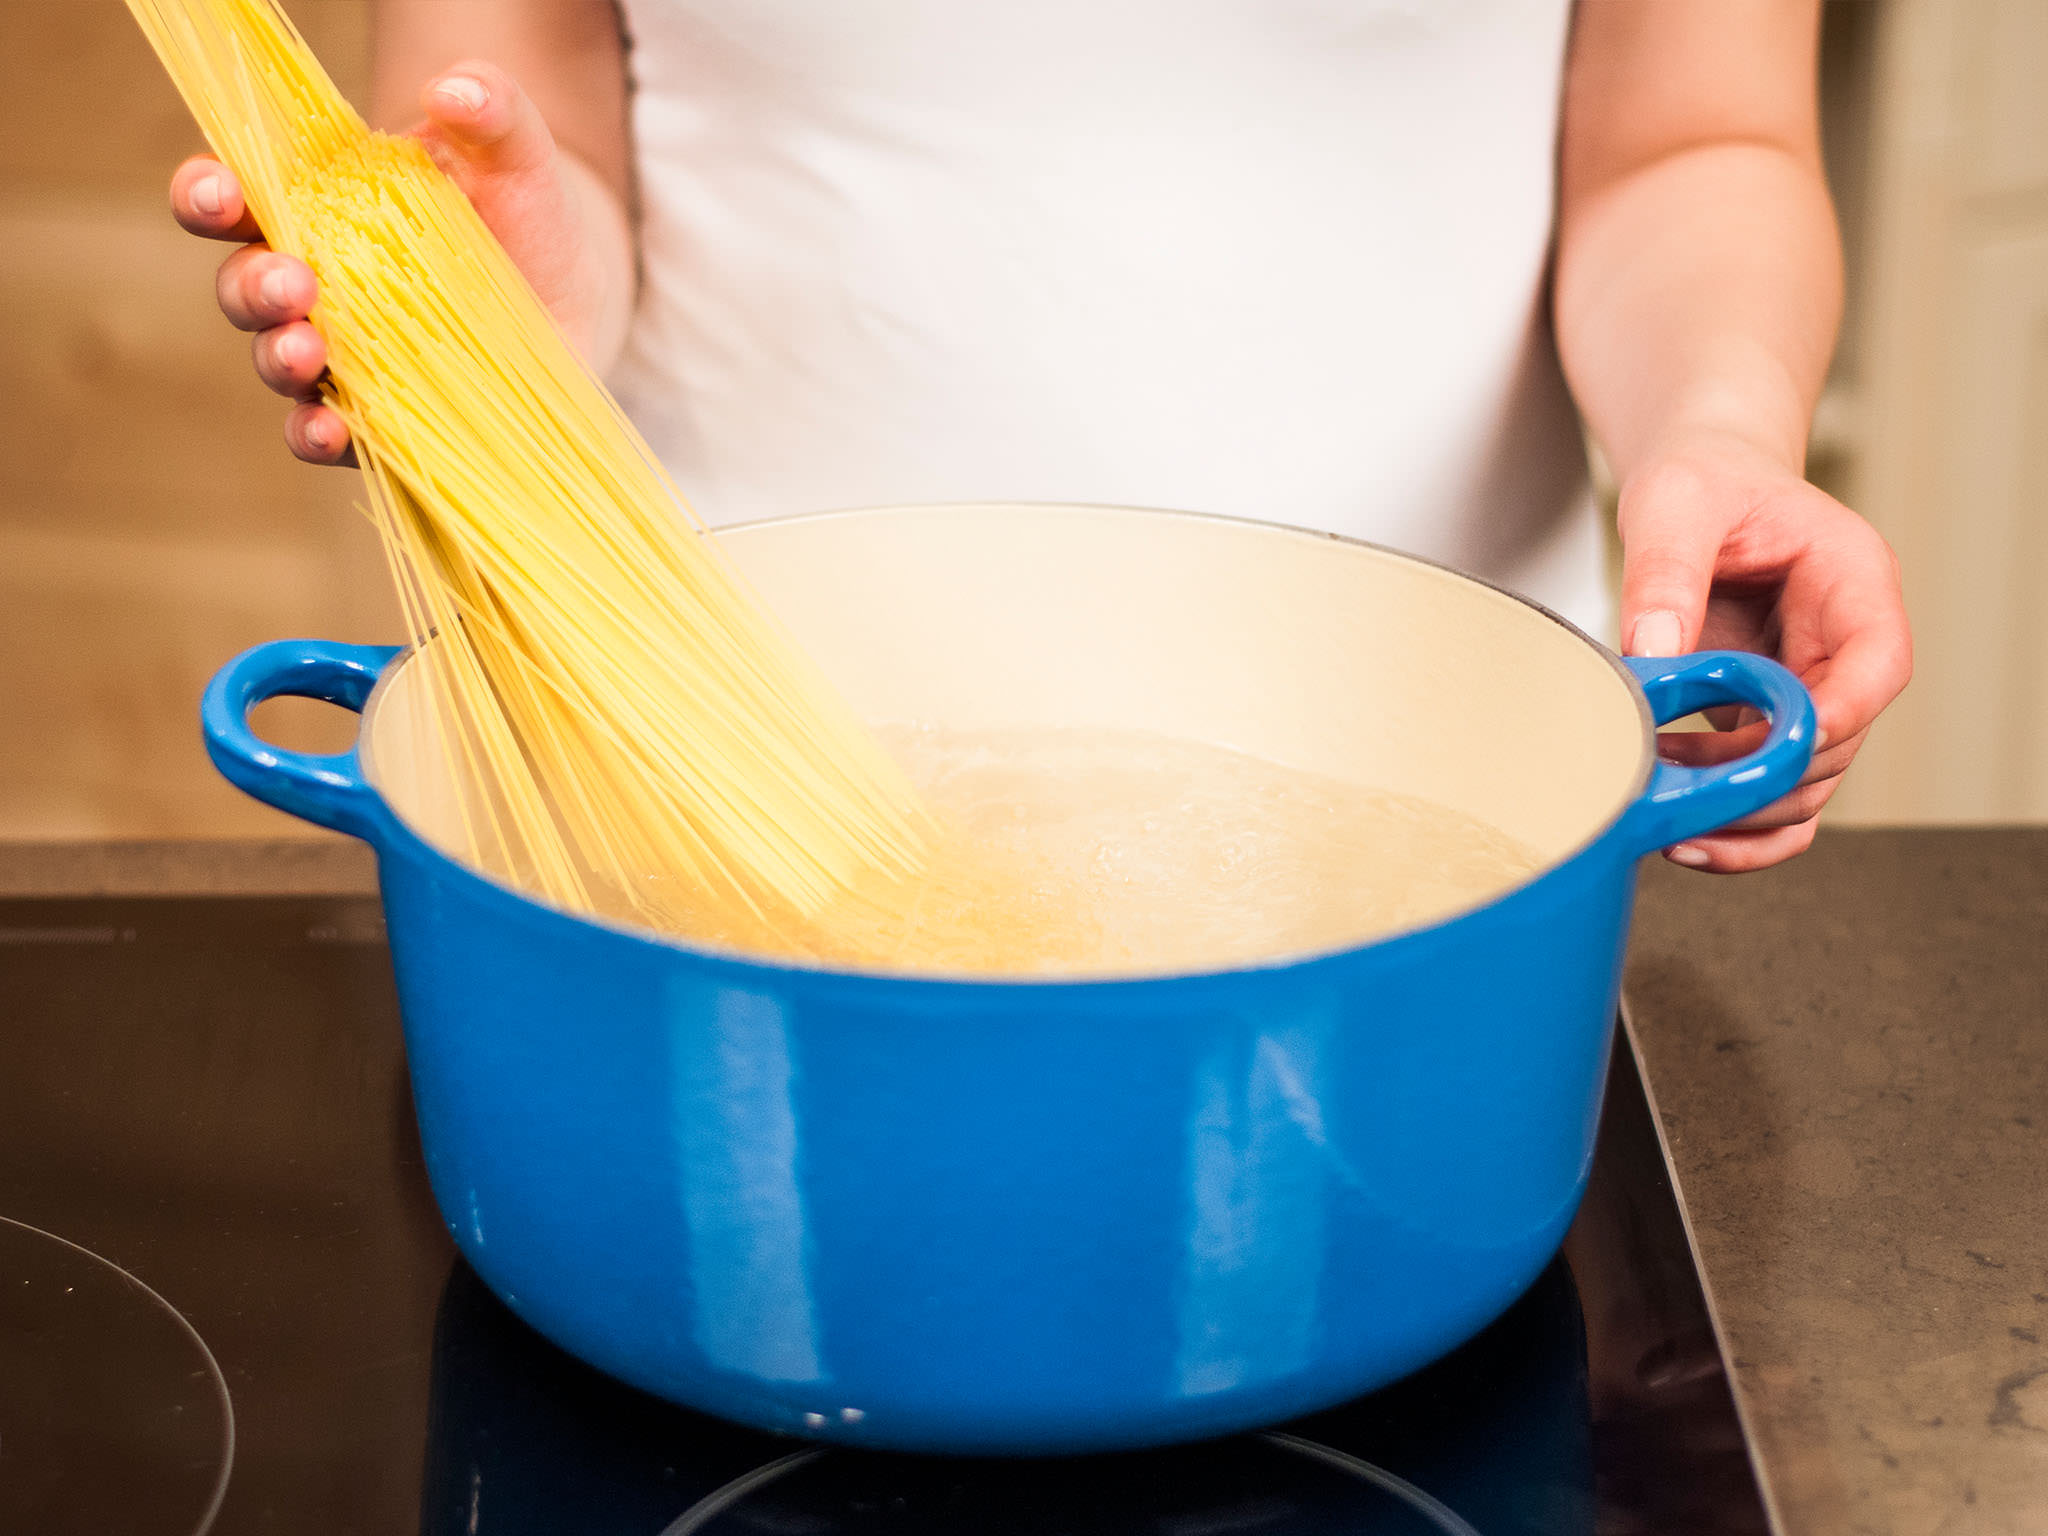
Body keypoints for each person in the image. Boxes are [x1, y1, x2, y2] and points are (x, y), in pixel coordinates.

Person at [168, 0, 1909, 873]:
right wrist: (498, 328)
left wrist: (1721, 430)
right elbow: (526, 134)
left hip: (1444, 816)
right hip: (709, 803)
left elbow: (1686, 146)